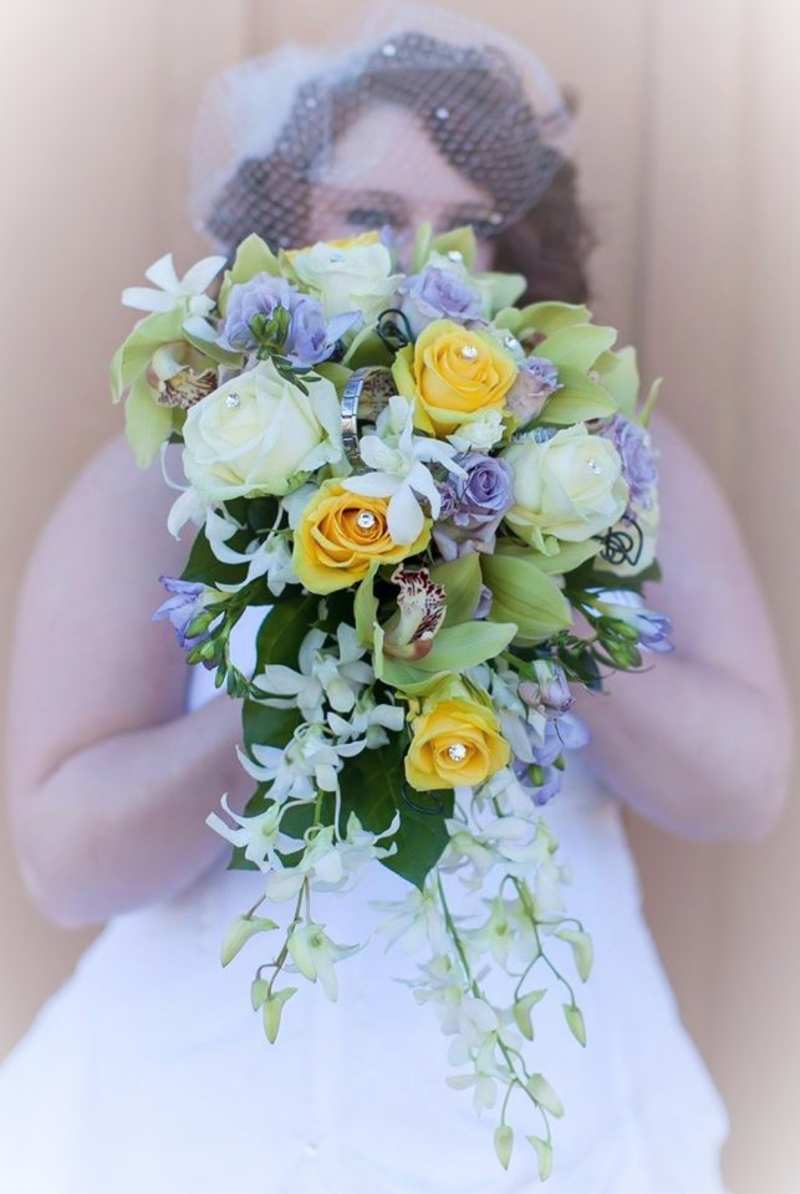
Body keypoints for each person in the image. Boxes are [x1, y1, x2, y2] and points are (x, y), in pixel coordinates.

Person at [1, 11, 792, 1194]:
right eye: (370, 215)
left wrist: (534, 599)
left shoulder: (615, 463)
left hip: (550, 1118)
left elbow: (742, 791)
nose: (426, 261)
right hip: (206, 1122)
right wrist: (316, 678)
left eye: (472, 223)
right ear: (284, 228)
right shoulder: (165, 474)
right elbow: (64, 866)